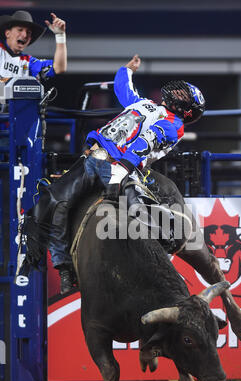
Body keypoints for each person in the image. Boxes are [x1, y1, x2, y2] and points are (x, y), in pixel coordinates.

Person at [22, 54, 205, 294]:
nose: (177, 94)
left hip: (120, 165)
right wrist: (126, 70)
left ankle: (165, 245)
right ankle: (64, 268)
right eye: (180, 92)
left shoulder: (173, 125)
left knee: (136, 212)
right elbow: (125, 92)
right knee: (53, 202)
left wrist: (122, 170)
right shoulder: (147, 105)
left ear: (186, 109)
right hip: (93, 158)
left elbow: (146, 142)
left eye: (183, 96)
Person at [0, 9, 67, 81]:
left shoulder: (29, 62)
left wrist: (60, 35)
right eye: (20, 30)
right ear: (7, 33)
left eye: (28, 32)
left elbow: (59, 68)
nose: (25, 35)